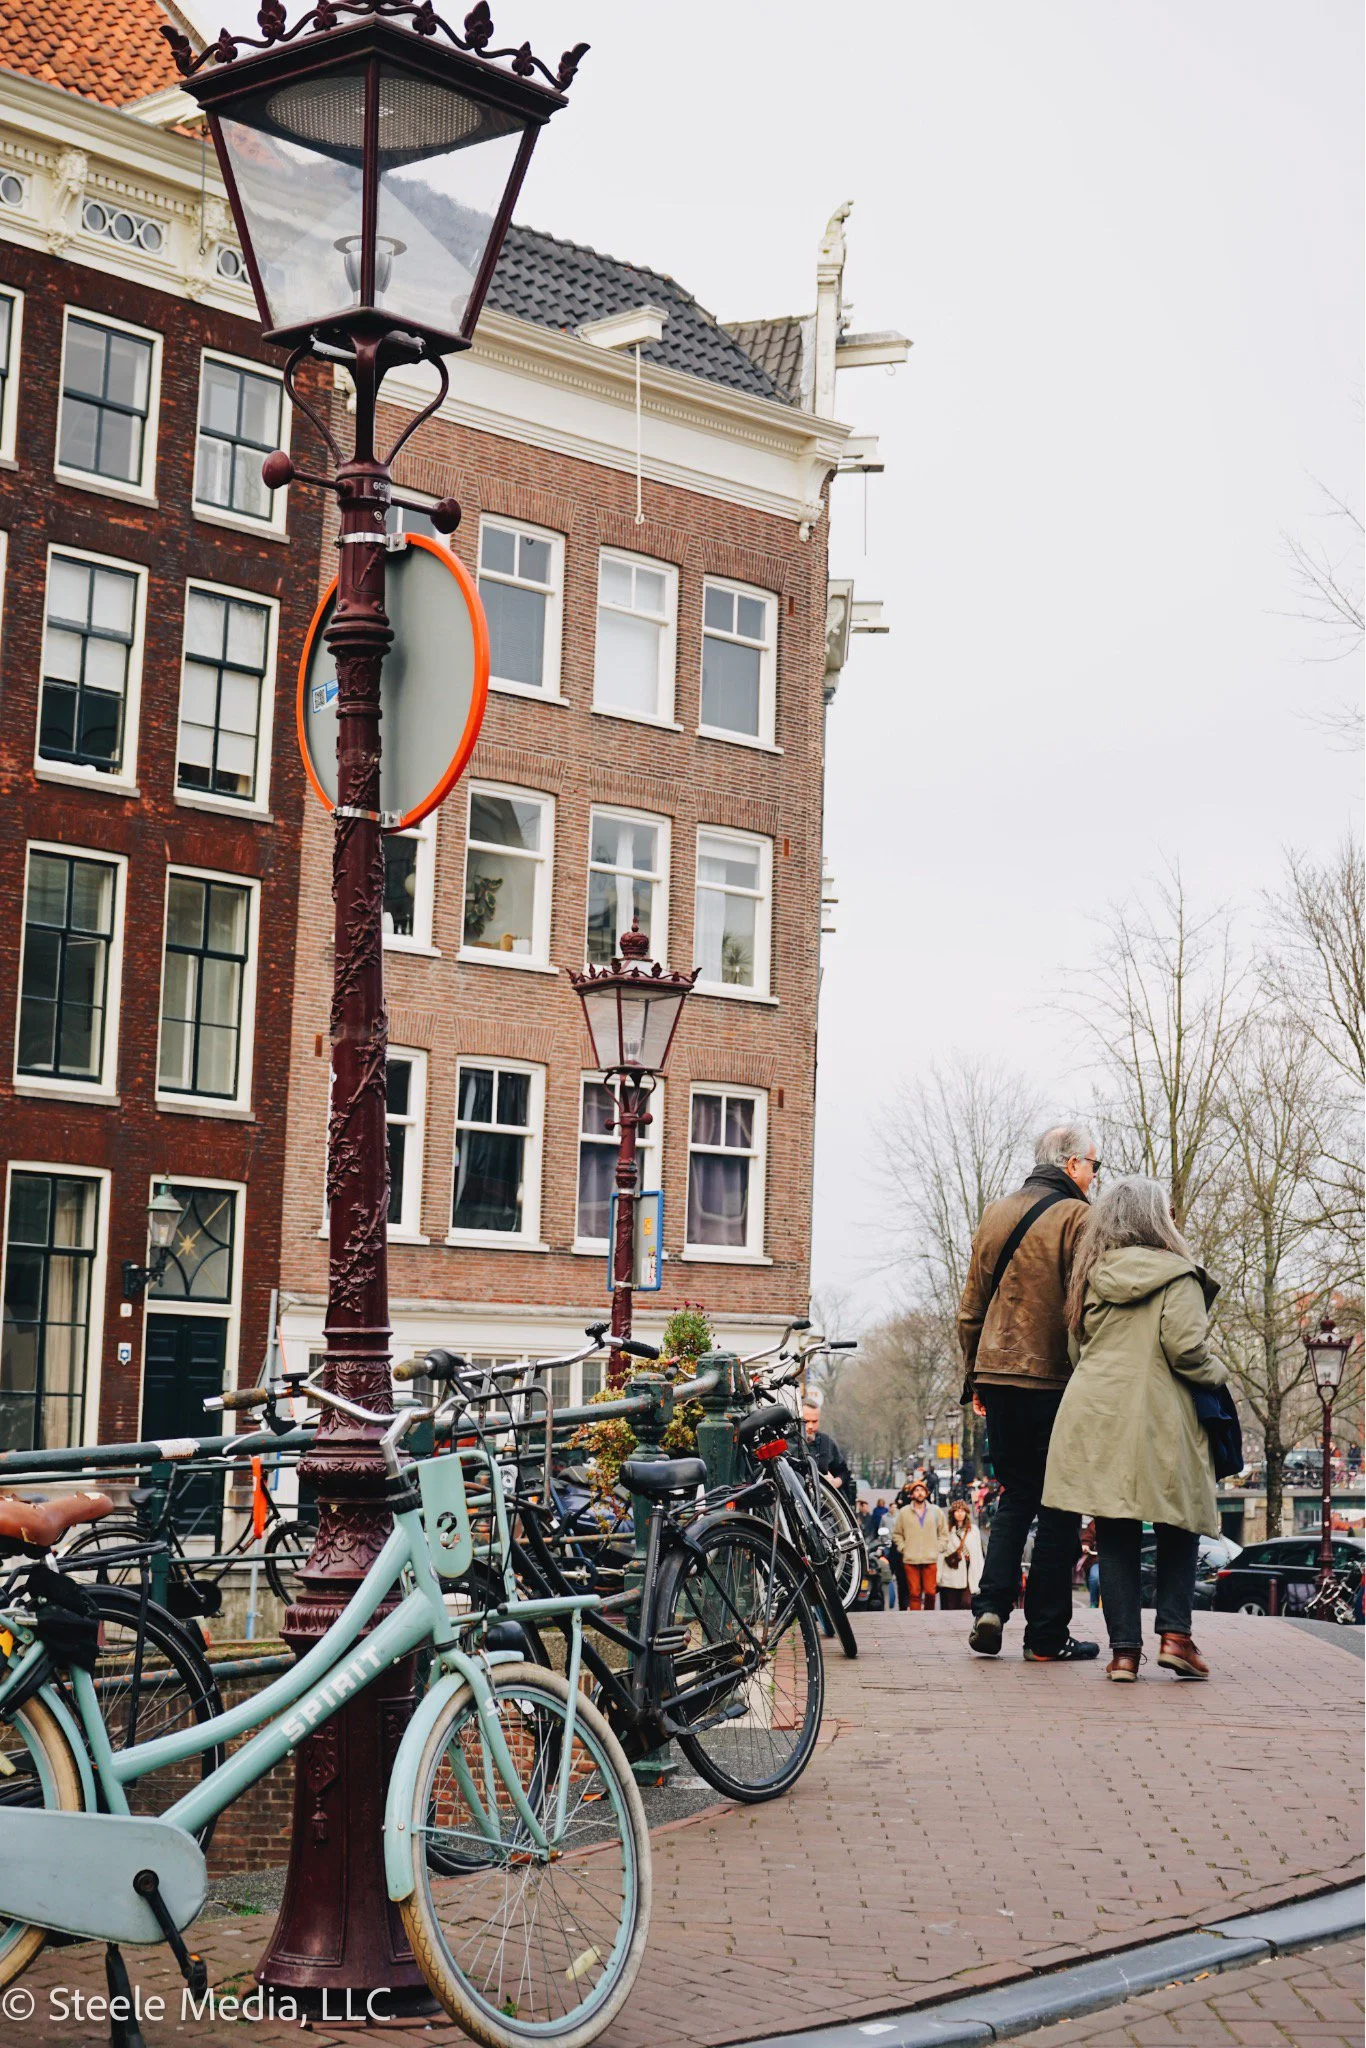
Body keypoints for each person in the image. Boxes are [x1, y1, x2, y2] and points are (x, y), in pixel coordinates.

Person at [1042, 1177, 1228, 1682]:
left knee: (1116, 1528)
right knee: (1179, 1522)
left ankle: (1124, 1654)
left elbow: (1077, 1352)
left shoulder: (1091, 1277)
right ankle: (1175, 1636)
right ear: (1157, 1220)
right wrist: (1220, 1373)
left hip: (1097, 1413)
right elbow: (1186, 1351)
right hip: (1160, 1414)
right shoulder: (1179, 1276)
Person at [958, 1122, 1102, 1664]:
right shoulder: (1079, 1218)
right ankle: (1045, 1636)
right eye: (1093, 1165)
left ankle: (990, 1606)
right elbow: (1088, 1304)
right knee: (1060, 1503)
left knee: (1016, 1493)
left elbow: (971, 1306)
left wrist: (974, 1376)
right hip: (1052, 1379)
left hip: (996, 1374)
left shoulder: (996, 1213)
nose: (1094, 1176)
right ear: (1071, 1165)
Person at [890, 1479, 948, 1610]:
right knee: (914, 1593)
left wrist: (938, 1547)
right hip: (911, 1558)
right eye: (916, 1490)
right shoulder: (904, 1512)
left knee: (930, 1592)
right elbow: (897, 1534)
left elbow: (944, 1533)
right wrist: (903, 1548)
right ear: (911, 1494)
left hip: (930, 1557)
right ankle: (915, 1620)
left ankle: (929, 1616)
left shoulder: (935, 1511)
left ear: (926, 1493)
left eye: (922, 1490)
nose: (919, 1493)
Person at [799, 1390, 854, 1495]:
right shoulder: (788, 1443)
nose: (810, 1426)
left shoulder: (826, 1442)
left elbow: (843, 1471)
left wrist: (835, 1482)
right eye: (806, 1421)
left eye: (814, 1421)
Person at [937, 1498, 984, 1610]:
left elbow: (978, 1553)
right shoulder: (947, 1530)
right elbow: (941, 1552)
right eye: (957, 1511)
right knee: (950, 1603)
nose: (960, 1514)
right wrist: (938, 1576)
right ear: (952, 1513)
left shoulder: (973, 1530)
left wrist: (981, 1574)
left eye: (962, 1511)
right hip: (952, 1570)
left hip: (969, 1570)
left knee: (967, 1602)